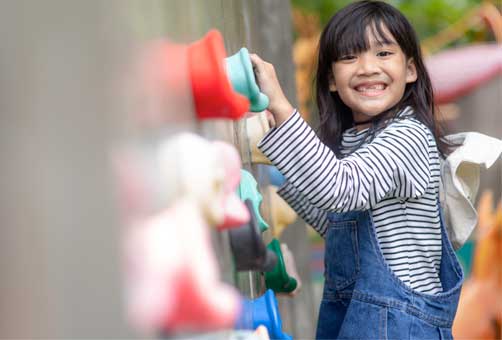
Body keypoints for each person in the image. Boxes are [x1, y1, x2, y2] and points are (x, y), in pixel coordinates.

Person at [250, 1, 464, 338]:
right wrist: (272, 164)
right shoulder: (357, 142)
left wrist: (280, 106)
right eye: (349, 57)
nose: (366, 67)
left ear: (410, 70)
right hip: (358, 320)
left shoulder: (407, 136)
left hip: (401, 326)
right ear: (332, 81)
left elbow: (340, 189)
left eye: (383, 53)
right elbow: (338, 222)